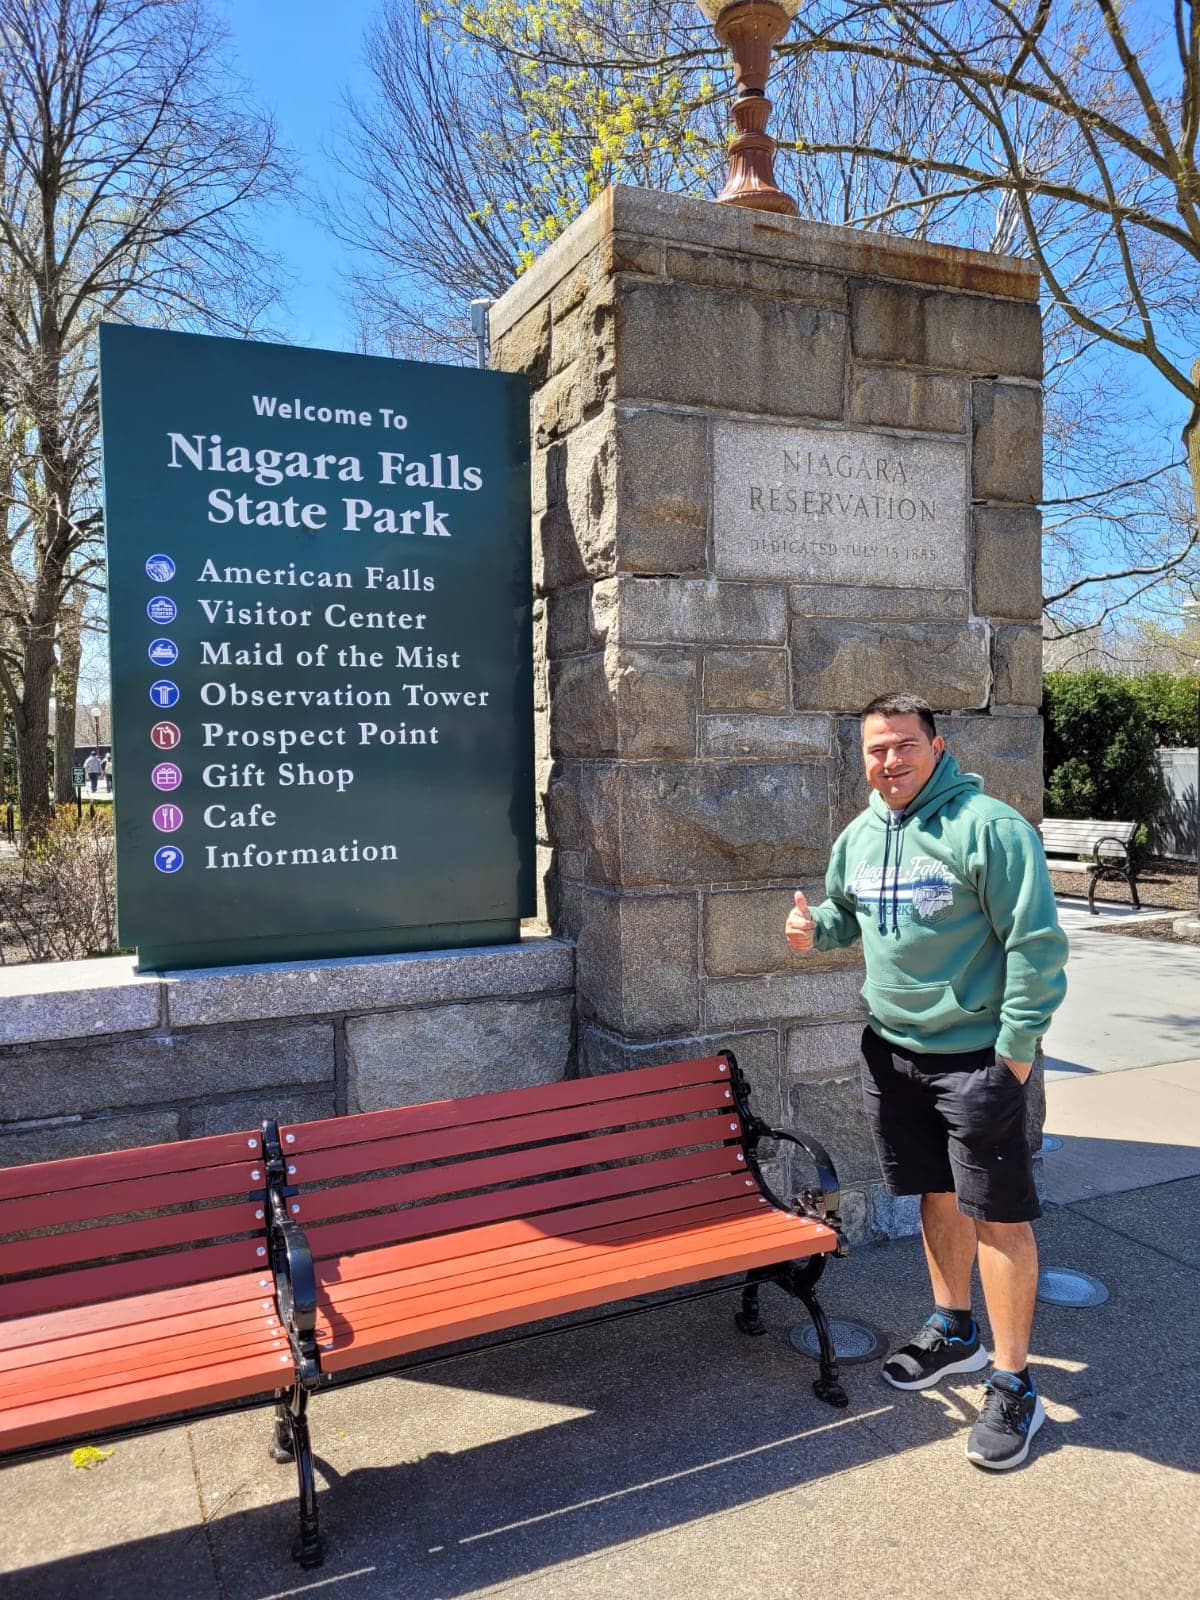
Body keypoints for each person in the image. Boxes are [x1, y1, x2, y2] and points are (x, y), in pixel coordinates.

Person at [785, 691, 1067, 1471]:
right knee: (936, 1197)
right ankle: (955, 1329)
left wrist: (1014, 1057)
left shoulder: (990, 828)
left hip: (977, 1059)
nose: (889, 760)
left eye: (904, 744)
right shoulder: (861, 834)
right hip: (894, 1054)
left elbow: (1037, 947)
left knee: (999, 1217)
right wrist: (815, 930)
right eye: (876, 749)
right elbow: (848, 914)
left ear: (936, 748)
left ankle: (1014, 1383)